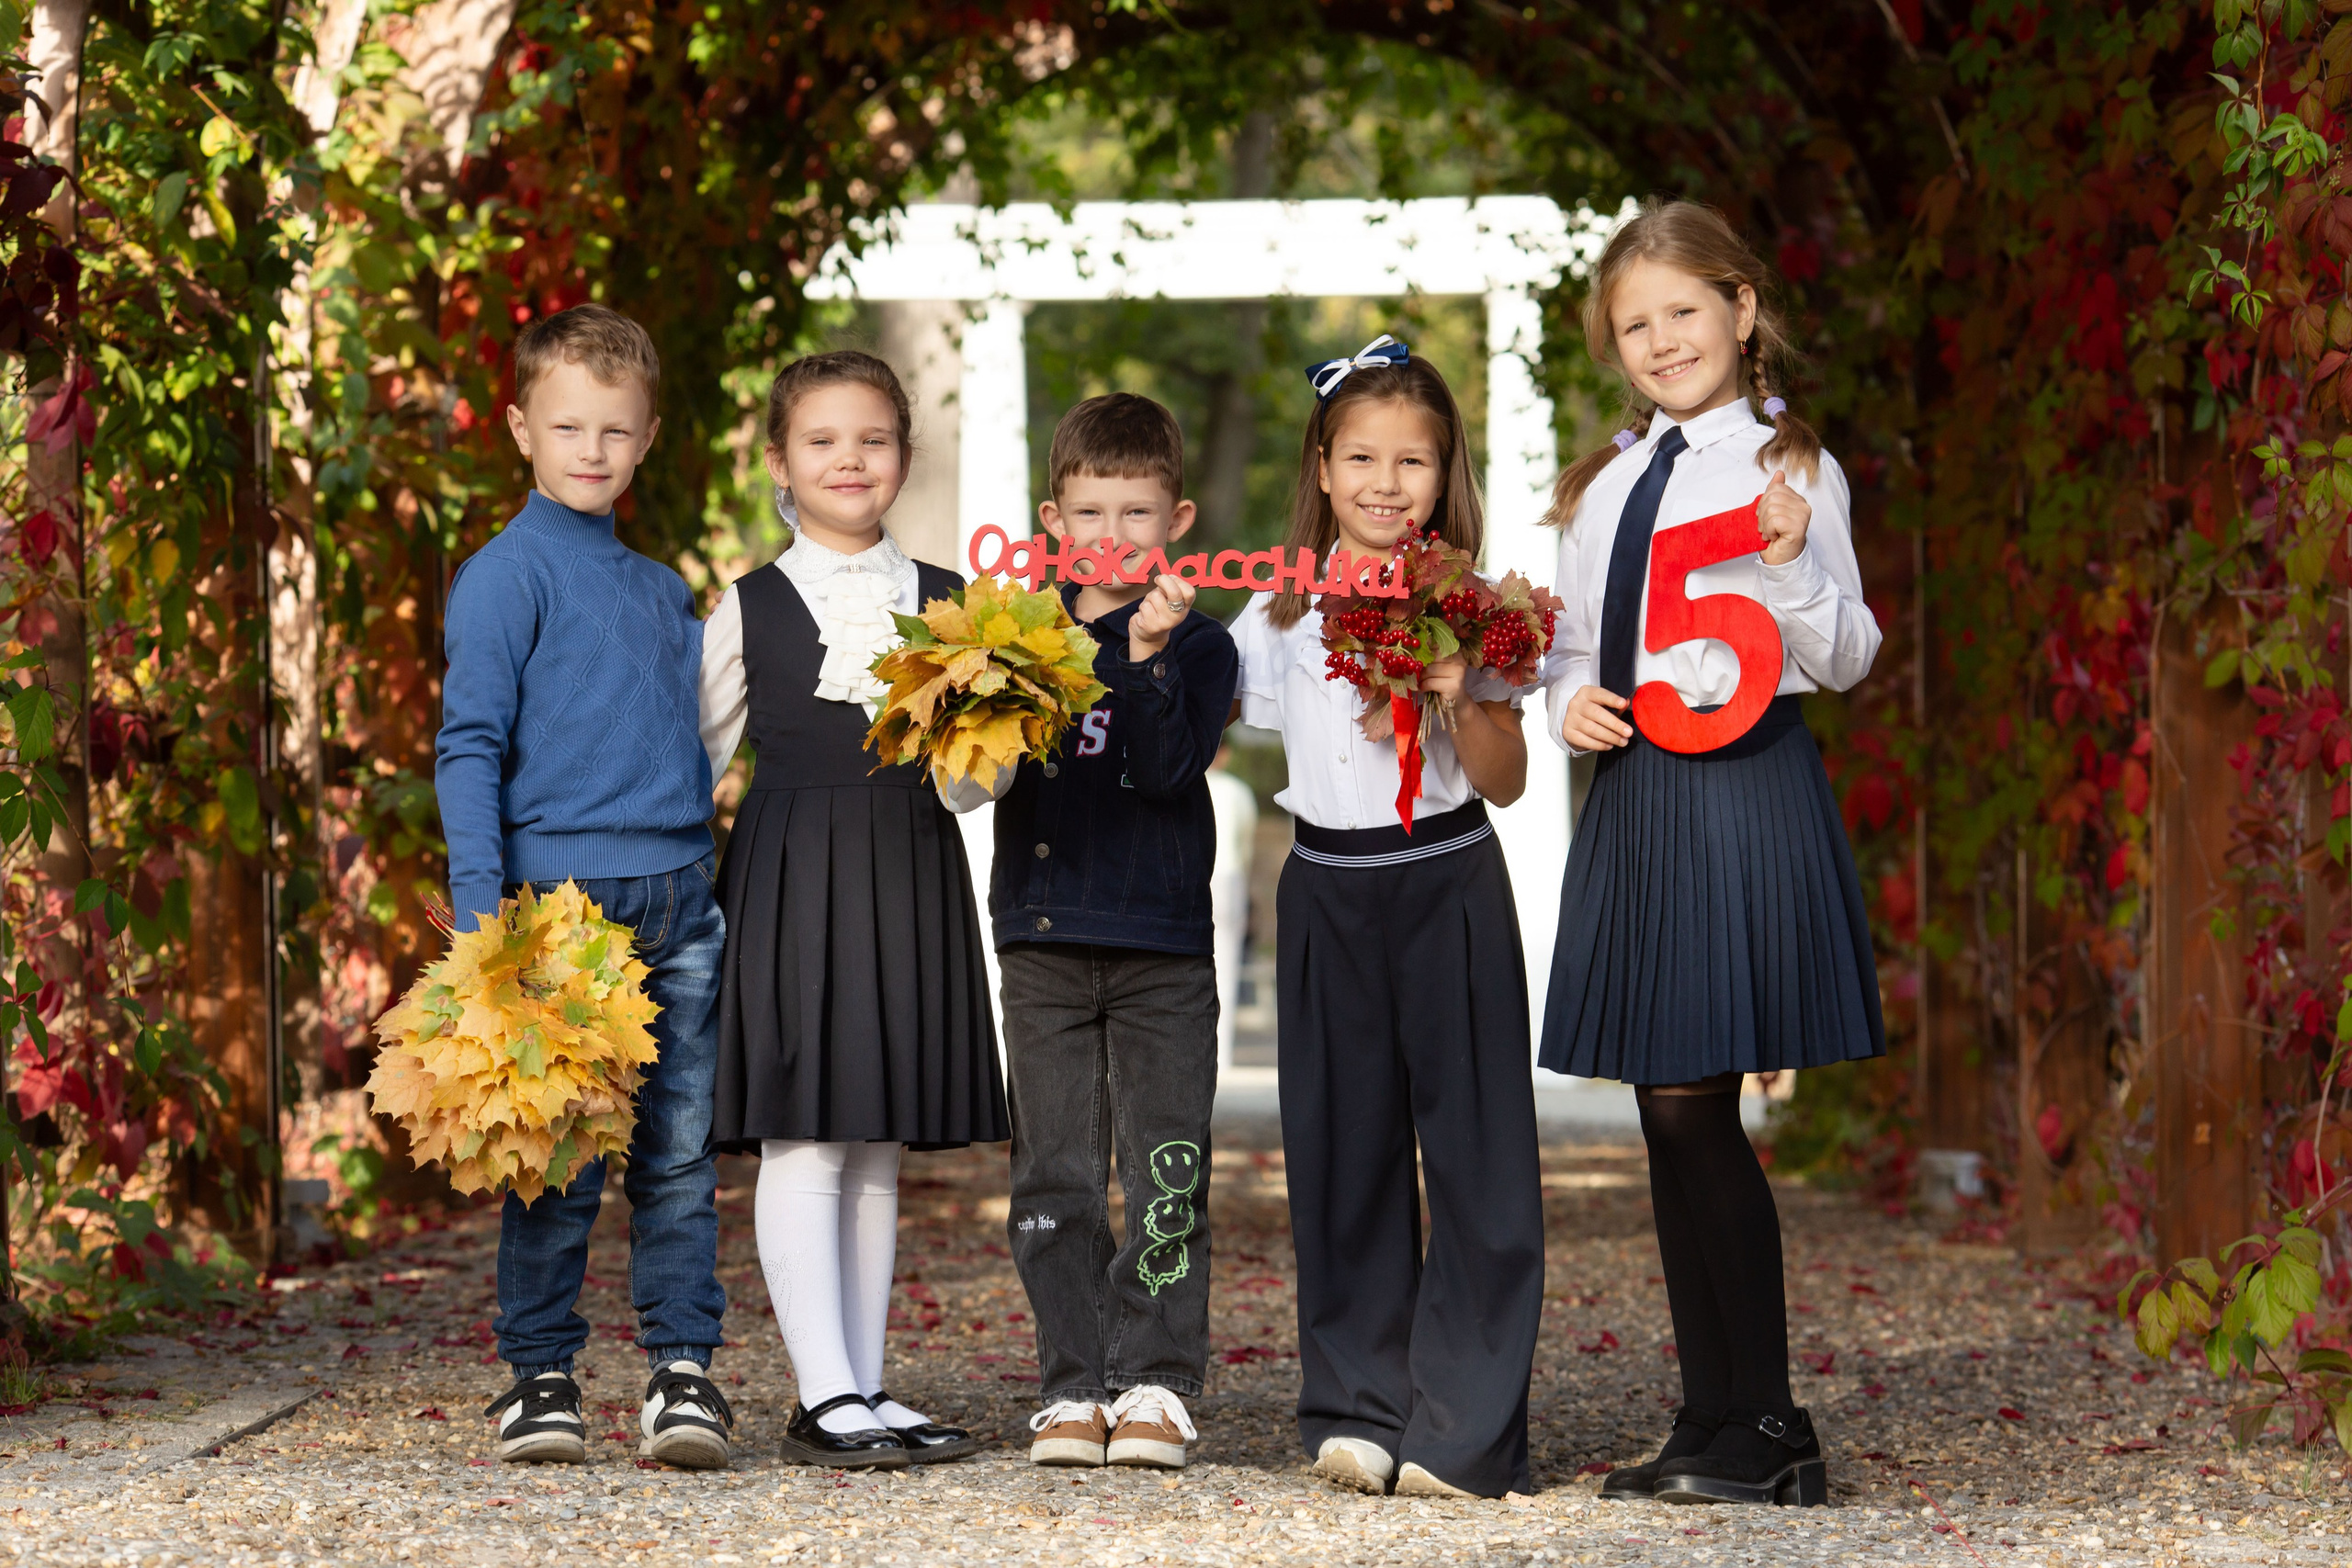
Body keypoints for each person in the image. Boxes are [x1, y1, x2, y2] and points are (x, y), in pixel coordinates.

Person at [1539, 199, 1884, 1508]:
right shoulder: (1604, 485)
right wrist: (1562, 702)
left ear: (1742, 310)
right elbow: (1578, 649)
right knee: (1661, 1108)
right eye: (1636, 323)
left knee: (1698, 1100)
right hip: (1637, 792)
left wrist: (1793, 568)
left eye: (1684, 309)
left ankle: (1774, 1417)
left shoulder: (1792, 467)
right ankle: (1708, 1411)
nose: (1661, 337)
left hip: (1743, 785)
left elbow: (1847, 656)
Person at [1230, 338, 1544, 1501]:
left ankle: (1465, 1426)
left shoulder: (1480, 611)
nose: (1384, 481)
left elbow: (1505, 779)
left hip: (1448, 878)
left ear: (1445, 471)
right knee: (1342, 1152)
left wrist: (1465, 696)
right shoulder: (1276, 617)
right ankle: (1360, 1405)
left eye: (1412, 460)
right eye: (1360, 456)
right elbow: (1202, 721)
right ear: (1319, 468)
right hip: (1327, 891)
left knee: (1477, 1160)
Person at [436, 304, 735, 1469]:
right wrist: (484, 924)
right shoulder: (504, 578)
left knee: (676, 1151)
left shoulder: (664, 592)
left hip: (679, 904)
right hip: (559, 916)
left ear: (648, 436)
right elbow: (469, 748)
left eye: (614, 430)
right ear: (520, 428)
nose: (591, 450)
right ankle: (541, 1377)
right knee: (557, 1158)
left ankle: (682, 1374)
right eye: (567, 428)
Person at [699, 350, 1007, 1470]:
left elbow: (977, 780)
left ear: (904, 459)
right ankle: (823, 1392)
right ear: (780, 461)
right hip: (789, 876)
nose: (849, 460)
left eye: (872, 440)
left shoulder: (957, 607)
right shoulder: (747, 607)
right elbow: (693, 759)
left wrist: (986, 742)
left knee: (876, 1138)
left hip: (910, 867)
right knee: (805, 1130)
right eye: (822, 440)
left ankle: (863, 1388)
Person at [945, 393, 1239, 1472]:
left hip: (1164, 942)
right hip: (1042, 935)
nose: (1113, 535)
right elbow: (974, 776)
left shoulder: (1202, 648)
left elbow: (1166, 772)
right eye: (1089, 512)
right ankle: (1072, 1383)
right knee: (1055, 1170)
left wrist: (1151, 654)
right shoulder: (1013, 639)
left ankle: (1158, 1382)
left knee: (1167, 1164)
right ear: (1050, 521)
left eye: (1138, 512)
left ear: (1179, 519)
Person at [1205, 742, 1259, 1071]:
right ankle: (1222, 1055)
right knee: (1226, 965)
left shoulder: (1191, 782)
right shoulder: (1238, 791)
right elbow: (1246, 845)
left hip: (1200, 877)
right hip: (1229, 877)